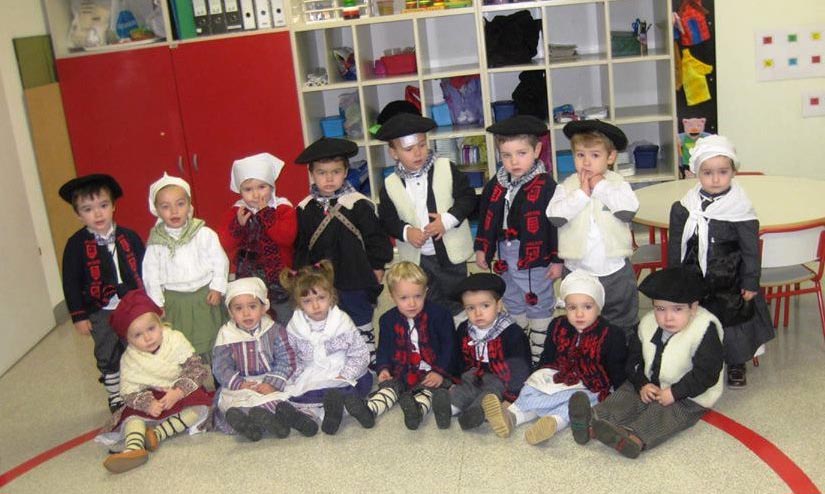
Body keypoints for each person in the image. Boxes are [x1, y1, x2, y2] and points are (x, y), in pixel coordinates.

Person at [569, 267, 724, 459]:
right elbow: (633, 359)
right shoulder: (647, 324)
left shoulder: (704, 329)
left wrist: (675, 392)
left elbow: (707, 373)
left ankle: (633, 438)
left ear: (693, 307)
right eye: (660, 309)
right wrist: (641, 383)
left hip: (689, 394)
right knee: (626, 395)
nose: (668, 317)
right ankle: (591, 422)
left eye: (677, 309)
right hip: (651, 383)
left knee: (667, 414)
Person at [668, 135, 775, 388]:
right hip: (695, 276)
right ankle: (701, 361)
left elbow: (750, 248)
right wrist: (674, 278)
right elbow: (676, 245)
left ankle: (737, 363)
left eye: (722, 172)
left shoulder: (740, 207)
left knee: (733, 322)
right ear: (696, 173)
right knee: (698, 319)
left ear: (734, 172)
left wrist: (750, 280)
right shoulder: (685, 206)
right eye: (708, 173)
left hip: (730, 279)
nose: (715, 179)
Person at [482, 271, 627, 445]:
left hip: (589, 383)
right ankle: (511, 416)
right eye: (572, 308)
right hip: (558, 374)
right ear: (565, 307)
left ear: (598, 307)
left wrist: (620, 394)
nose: (579, 314)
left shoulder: (610, 334)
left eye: (587, 307)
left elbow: (616, 368)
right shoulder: (558, 325)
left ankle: (552, 423)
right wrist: (538, 376)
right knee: (531, 389)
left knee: (577, 403)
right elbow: (547, 356)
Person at [293, 137, 393, 367]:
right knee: (327, 321)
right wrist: (303, 275)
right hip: (322, 282)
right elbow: (302, 245)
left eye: (335, 171)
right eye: (321, 172)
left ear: (346, 171)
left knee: (359, 319)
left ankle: (367, 359)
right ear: (311, 174)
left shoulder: (358, 204)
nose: (329, 178)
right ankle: (338, 362)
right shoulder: (305, 208)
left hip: (356, 276)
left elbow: (375, 238)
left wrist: (377, 266)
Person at [477, 115, 563, 363]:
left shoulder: (546, 185)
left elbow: (557, 226)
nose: (514, 162)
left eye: (521, 153)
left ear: (537, 150)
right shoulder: (497, 184)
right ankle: (520, 343)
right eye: (506, 155)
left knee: (537, 296)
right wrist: (483, 248)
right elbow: (487, 218)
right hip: (504, 253)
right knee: (512, 296)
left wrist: (557, 259)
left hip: (535, 255)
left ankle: (540, 350)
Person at [96, 290, 212, 474]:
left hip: (180, 391)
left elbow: (196, 369)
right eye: (137, 335)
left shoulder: (175, 339)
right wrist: (148, 404)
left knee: (200, 407)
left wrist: (178, 392)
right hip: (151, 396)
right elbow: (128, 392)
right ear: (127, 338)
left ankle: (158, 434)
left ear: (160, 323)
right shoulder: (129, 358)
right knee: (131, 416)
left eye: (151, 329)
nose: (148, 338)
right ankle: (133, 449)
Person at [376, 112, 477, 321]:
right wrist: (405, 231)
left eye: (422, 145)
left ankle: (461, 340)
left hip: (450, 255)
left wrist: (447, 220)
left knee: (458, 300)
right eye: (408, 149)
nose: (417, 153)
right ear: (394, 153)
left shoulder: (446, 168)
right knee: (426, 305)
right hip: (418, 260)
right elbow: (387, 219)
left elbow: (467, 198)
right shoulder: (389, 184)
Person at [59, 174, 145, 412]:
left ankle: (138, 388)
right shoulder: (75, 245)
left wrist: (150, 301)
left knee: (136, 346)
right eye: (88, 209)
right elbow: (70, 282)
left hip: (131, 305)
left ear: (113, 206)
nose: (97, 214)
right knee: (107, 351)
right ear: (78, 214)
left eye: (103, 206)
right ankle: (115, 394)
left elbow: (145, 267)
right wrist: (79, 315)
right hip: (100, 309)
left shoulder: (129, 236)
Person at [546, 120, 640, 339]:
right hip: (578, 269)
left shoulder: (617, 184)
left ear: (611, 157)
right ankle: (586, 362)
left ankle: (621, 362)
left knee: (621, 321)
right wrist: (581, 195)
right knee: (582, 323)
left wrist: (601, 187)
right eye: (580, 155)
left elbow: (628, 210)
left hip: (615, 269)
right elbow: (555, 216)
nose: (586, 162)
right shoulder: (567, 186)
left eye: (595, 155)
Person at [344, 262, 458, 431]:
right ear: (392, 296)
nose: (411, 303)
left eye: (418, 296)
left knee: (428, 391)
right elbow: (384, 348)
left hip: (432, 371)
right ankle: (370, 410)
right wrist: (383, 369)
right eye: (404, 298)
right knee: (389, 388)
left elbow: (450, 346)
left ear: (426, 292)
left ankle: (416, 411)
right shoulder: (387, 320)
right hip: (402, 371)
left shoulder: (440, 315)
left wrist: (439, 372)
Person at [142, 174, 229, 364]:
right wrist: (157, 302)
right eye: (165, 206)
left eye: (180, 204)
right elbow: (150, 275)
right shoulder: (156, 243)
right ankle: (192, 380)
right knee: (182, 343)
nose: (174, 211)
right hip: (175, 301)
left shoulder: (204, 233)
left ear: (189, 206)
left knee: (212, 336)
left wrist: (217, 287)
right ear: (156, 210)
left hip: (205, 296)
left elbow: (219, 261)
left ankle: (219, 374)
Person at [279, 260, 372, 436]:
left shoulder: (341, 321)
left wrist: (346, 374)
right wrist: (293, 378)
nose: (315, 306)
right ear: (298, 303)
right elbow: (293, 357)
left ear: (331, 296)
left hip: (342, 369)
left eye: (321, 298)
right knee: (304, 395)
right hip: (313, 371)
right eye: (307, 301)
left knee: (346, 390)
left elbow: (360, 354)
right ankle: (308, 419)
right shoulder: (295, 326)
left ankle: (340, 410)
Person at [432, 273, 532, 430]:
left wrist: (511, 397)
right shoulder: (465, 328)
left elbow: (521, 368)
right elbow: (458, 357)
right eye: (471, 308)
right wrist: (454, 381)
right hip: (472, 375)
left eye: (485, 306)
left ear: (498, 305)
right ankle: (448, 409)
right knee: (464, 390)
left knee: (489, 395)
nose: (478, 313)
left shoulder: (512, 333)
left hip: (500, 379)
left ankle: (475, 414)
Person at [212, 277, 300, 442]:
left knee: (285, 398)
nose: (246, 313)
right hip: (243, 383)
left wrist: (272, 383)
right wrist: (239, 384)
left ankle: (272, 420)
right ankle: (249, 424)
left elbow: (286, 359)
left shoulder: (274, 330)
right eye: (238, 308)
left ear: (263, 308)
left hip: (269, 380)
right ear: (231, 312)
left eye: (252, 307)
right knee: (232, 405)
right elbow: (220, 367)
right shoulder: (226, 335)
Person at [218, 152, 298, 325]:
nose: (255, 195)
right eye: (248, 189)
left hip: (279, 278)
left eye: (262, 187)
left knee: (285, 316)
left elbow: (286, 238)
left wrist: (266, 215)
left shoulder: (283, 208)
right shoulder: (237, 211)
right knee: (255, 316)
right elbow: (225, 243)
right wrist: (238, 225)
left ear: (272, 186)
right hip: (248, 277)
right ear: (240, 191)